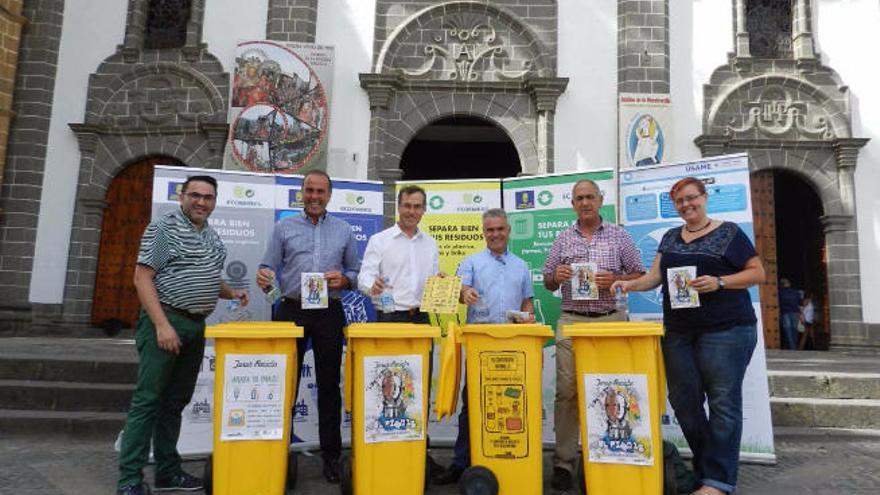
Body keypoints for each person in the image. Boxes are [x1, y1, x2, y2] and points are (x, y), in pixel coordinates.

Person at [612, 177, 765, 495]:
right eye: (680, 201)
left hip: (727, 330)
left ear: (704, 197)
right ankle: (710, 469)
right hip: (680, 332)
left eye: (691, 198)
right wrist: (629, 284)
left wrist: (719, 282)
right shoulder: (670, 236)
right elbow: (654, 276)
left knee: (723, 403)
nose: (686, 205)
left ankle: (717, 482)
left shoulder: (729, 233)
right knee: (684, 403)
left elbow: (757, 273)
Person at [117, 175, 249, 495]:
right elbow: (142, 277)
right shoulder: (164, 228)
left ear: (215, 202)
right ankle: (130, 479)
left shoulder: (211, 237)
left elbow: (205, 276)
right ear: (182, 197)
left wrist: (230, 292)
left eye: (208, 197)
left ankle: (167, 473)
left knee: (174, 403)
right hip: (166, 321)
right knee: (147, 401)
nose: (201, 202)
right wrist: (162, 325)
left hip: (194, 326)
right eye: (195, 195)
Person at [257, 170, 360, 484]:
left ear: (329, 195)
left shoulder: (343, 230)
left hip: (329, 311)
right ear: (302, 193)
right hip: (291, 310)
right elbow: (266, 266)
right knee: (283, 387)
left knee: (329, 387)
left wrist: (345, 280)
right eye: (309, 190)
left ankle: (331, 457)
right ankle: (280, 455)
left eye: (321, 191)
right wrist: (264, 277)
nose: (315, 196)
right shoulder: (284, 227)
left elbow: (354, 271)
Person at [542, 179, 645, 491]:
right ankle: (563, 463)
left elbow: (640, 274)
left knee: (613, 391)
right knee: (567, 393)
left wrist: (615, 279)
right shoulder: (562, 239)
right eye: (579, 198)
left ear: (600, 200)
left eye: (590, 197)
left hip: (610, 320)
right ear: (572, 204)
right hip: (572, 321)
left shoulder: (619, 235)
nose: (585, 202)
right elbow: (547, 281)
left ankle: (608, 456)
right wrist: (554, 276)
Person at [434, 208, 535, 485]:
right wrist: (465, 292)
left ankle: (511, 456)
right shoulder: (471, 262)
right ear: (483, 232)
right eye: (490, 230)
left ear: (508, 230)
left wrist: (527, 315)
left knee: (511, 403)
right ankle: (460, 462)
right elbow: (457, 290)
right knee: (473, 403)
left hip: (515, 346)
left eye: (500, 229)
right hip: (481, 346)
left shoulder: (522, 266)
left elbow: (528, 300)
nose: (495, 235)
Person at [358, 185, 438, 324]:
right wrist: (372, 286)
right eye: (407, 206)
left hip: (422, 316)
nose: (411, 211)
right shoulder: (379, 240)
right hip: (389, 316)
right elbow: (364, 277)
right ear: (398, 207)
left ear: (424, 209)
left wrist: (441, 282)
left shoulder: (430, 244)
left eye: (417, 206)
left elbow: (432, 282)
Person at [778, 278, 801, 350]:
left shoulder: (779, 293)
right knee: (794, 330)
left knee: (788, 330)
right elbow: (800, 301)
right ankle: (793, 346)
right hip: (795, 312)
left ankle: (792, 347)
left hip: (785, 312)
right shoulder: (796, 292)